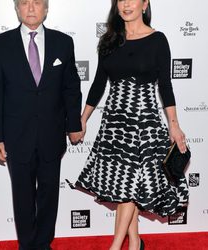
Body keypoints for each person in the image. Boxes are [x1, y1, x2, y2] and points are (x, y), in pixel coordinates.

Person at [76, 0, 189, 250]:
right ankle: (135, 242)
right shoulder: (109, 41)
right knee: (126, 186)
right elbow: (98, 84)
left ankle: (115, 246)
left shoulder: (158, 40)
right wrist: (83, 118)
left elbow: (165, 86)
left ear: (145, 3)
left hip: (144, 121)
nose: (126, 4)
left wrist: (174, 125)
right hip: (115, 124)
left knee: (129, 183)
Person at [0, 0, 82, 249]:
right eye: (24, 3)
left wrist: (73, 124)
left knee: (50, 195)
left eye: (37, 2)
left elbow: (71, 88)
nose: (30, 8)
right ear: (16, 9)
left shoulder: (63, 42)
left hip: (52, 135)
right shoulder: (0, 45)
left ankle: (43, 244)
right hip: (16, 137)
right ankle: (27, 245)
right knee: (23, 197)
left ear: (46, 9)